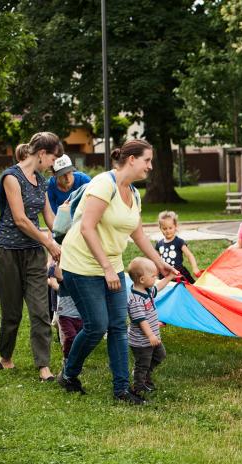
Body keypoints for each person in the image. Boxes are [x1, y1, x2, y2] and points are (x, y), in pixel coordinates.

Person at [57, 139, 177, 404]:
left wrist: (159, 262)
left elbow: (138, 233)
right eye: (147, 160)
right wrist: (107, 268)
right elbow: (87, 227)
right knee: (96, 326)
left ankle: (122, 390)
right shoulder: (103, 184)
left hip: (110, 264)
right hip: (81, 264)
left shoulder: (133, 193)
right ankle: (69, 373)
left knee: (118, 327)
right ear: (131, 159)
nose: (150, 166)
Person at [0, 133, 63, 381]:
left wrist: (66, 235)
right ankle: (5, 357)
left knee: (40, 310)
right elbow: (20, 219)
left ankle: (43, 365)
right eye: (53, 158)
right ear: (42, 153)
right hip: (7, 252)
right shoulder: (12, 177)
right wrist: (47, 241)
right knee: (11, 313)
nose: (53, 164)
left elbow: (50, 218)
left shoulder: (40, 181)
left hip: (33, 254)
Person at [127, 257, 176, 396]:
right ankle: (139, 385)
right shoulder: (135, 299)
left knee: (160, 355)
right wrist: (150, 335)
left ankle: (144, 375)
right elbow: (141, 320)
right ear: (142, 279)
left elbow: (159, 287)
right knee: (142, 363)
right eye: (153, 276)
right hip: (142, 341)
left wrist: (170, 277)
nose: (156, 278)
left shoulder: (147, 290)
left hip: (152, 337)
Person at [49, 261, 83, 367]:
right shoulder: (57, 266)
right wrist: (68, 289)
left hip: (80, 313)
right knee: (70, 337)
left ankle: (74, 360)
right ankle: (67, 359)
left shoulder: (81, 266)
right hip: (65, 314)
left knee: (79, 339)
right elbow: (54, 281)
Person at [156, 210, 201, 283]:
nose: (167, 231)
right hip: (164, 274)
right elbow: (156, 260)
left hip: (179, 272)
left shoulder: (179, 242)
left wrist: (195, 268)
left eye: (170, 228)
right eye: (164, 228)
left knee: (189, 288)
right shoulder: (159, 244)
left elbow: (189, 255)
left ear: (175, 227)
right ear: (160, 228)